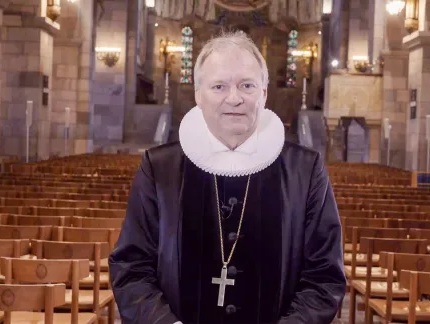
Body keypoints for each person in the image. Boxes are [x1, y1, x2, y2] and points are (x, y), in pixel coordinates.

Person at [109, 31, 346, 324]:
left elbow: (325, 276)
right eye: (219, 86)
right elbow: (131, 267)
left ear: (264, 93)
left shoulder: (305, 170)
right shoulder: (159, 167)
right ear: (198, 95)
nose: (234, 98)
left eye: (247, 85)